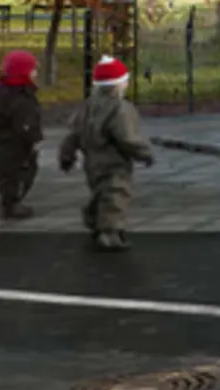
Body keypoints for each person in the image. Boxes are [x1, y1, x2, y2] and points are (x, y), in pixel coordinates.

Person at [58, 55, 154, 251]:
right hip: (115, 160)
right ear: (119, 85)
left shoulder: (86, 106)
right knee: (116, 195)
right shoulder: (120, 108)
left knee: (100, 191)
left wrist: (66, 156)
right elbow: (127, 137)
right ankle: (109, 232)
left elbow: (73, 134)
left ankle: (95, 220)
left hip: (92, 161)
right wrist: (144, 152)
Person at [0, 49, 44, 221]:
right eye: (33, 70)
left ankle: (10, 201)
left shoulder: (2, 92)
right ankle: (11, 204)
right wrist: (35, 138)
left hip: (0, 142)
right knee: (20, 173)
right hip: (14, 145)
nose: (36, 74)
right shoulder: (21, 99)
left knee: (10, 175)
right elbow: (25, 124)